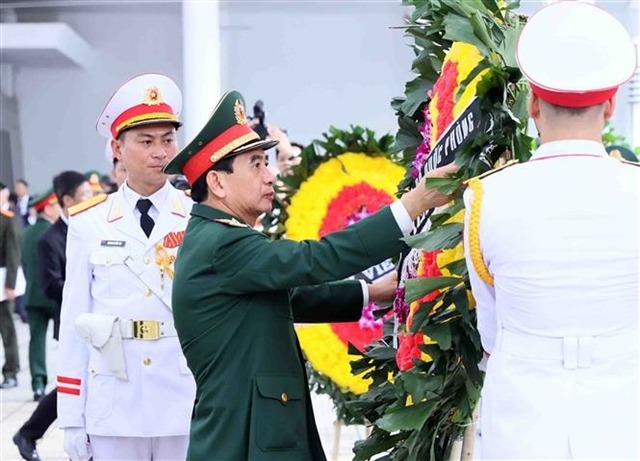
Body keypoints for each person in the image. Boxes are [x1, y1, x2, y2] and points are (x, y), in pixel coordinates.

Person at [163, 89, 457, 460]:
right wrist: (413, 204)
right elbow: (316, 259)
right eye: (256, 164)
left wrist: (370, 293)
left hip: (257, 434)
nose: (270, 175)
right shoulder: (223, 243)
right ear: (218, 183)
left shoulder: (216, 238)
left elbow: (287, 299)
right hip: (245, 442)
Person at [462, 2, 638, 459]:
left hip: (522, 423)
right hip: (622, 420)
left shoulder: (485, 198)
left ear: (534, 104)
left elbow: (492, 333)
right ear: (611, 107)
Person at [57, 73, 195, 461]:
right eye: (146, 141)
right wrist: (71, 416)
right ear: (117, 147)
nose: (160, 152)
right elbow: (74, 322)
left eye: (168, 140)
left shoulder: (196, 217)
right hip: (114, 400)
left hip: (183, 397)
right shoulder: (88, 222)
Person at [12, 172, 92, 461]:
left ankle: (29, 433)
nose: (92, 200)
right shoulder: (50, 238)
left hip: (99, 325)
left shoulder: (91, 229)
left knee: (83, 385)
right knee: (75, 385)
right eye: (86, 195)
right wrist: (88, 287)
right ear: (67, 201)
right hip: (72, 325)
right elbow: (51, 285)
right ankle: (29, 433)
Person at [20, 189, 60, 401]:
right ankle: (65, 382)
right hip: (55, 296)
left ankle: (37, 384)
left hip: (33, 294)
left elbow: (24, 265)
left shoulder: (26, 233)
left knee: (36, 340)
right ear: (49, 208)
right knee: (65, 340)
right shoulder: (56, 231)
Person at [0, 181, 23, 389]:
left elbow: (13, 254)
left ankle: (11, 371)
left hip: (2, 280)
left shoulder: (8, 220)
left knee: (6, 327)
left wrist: (10, 284)